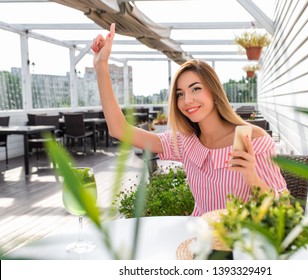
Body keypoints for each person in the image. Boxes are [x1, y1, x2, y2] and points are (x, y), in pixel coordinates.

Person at [92, 23, 287, 216]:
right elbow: (119, 129)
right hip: (199, 239)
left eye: (196, 89)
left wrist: (252, 176)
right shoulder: (186, 142)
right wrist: (101, 66)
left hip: (244, 242)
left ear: (213, 91)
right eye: (180, 94)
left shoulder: (253, 140)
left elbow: (284, 208)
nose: (187, 100)